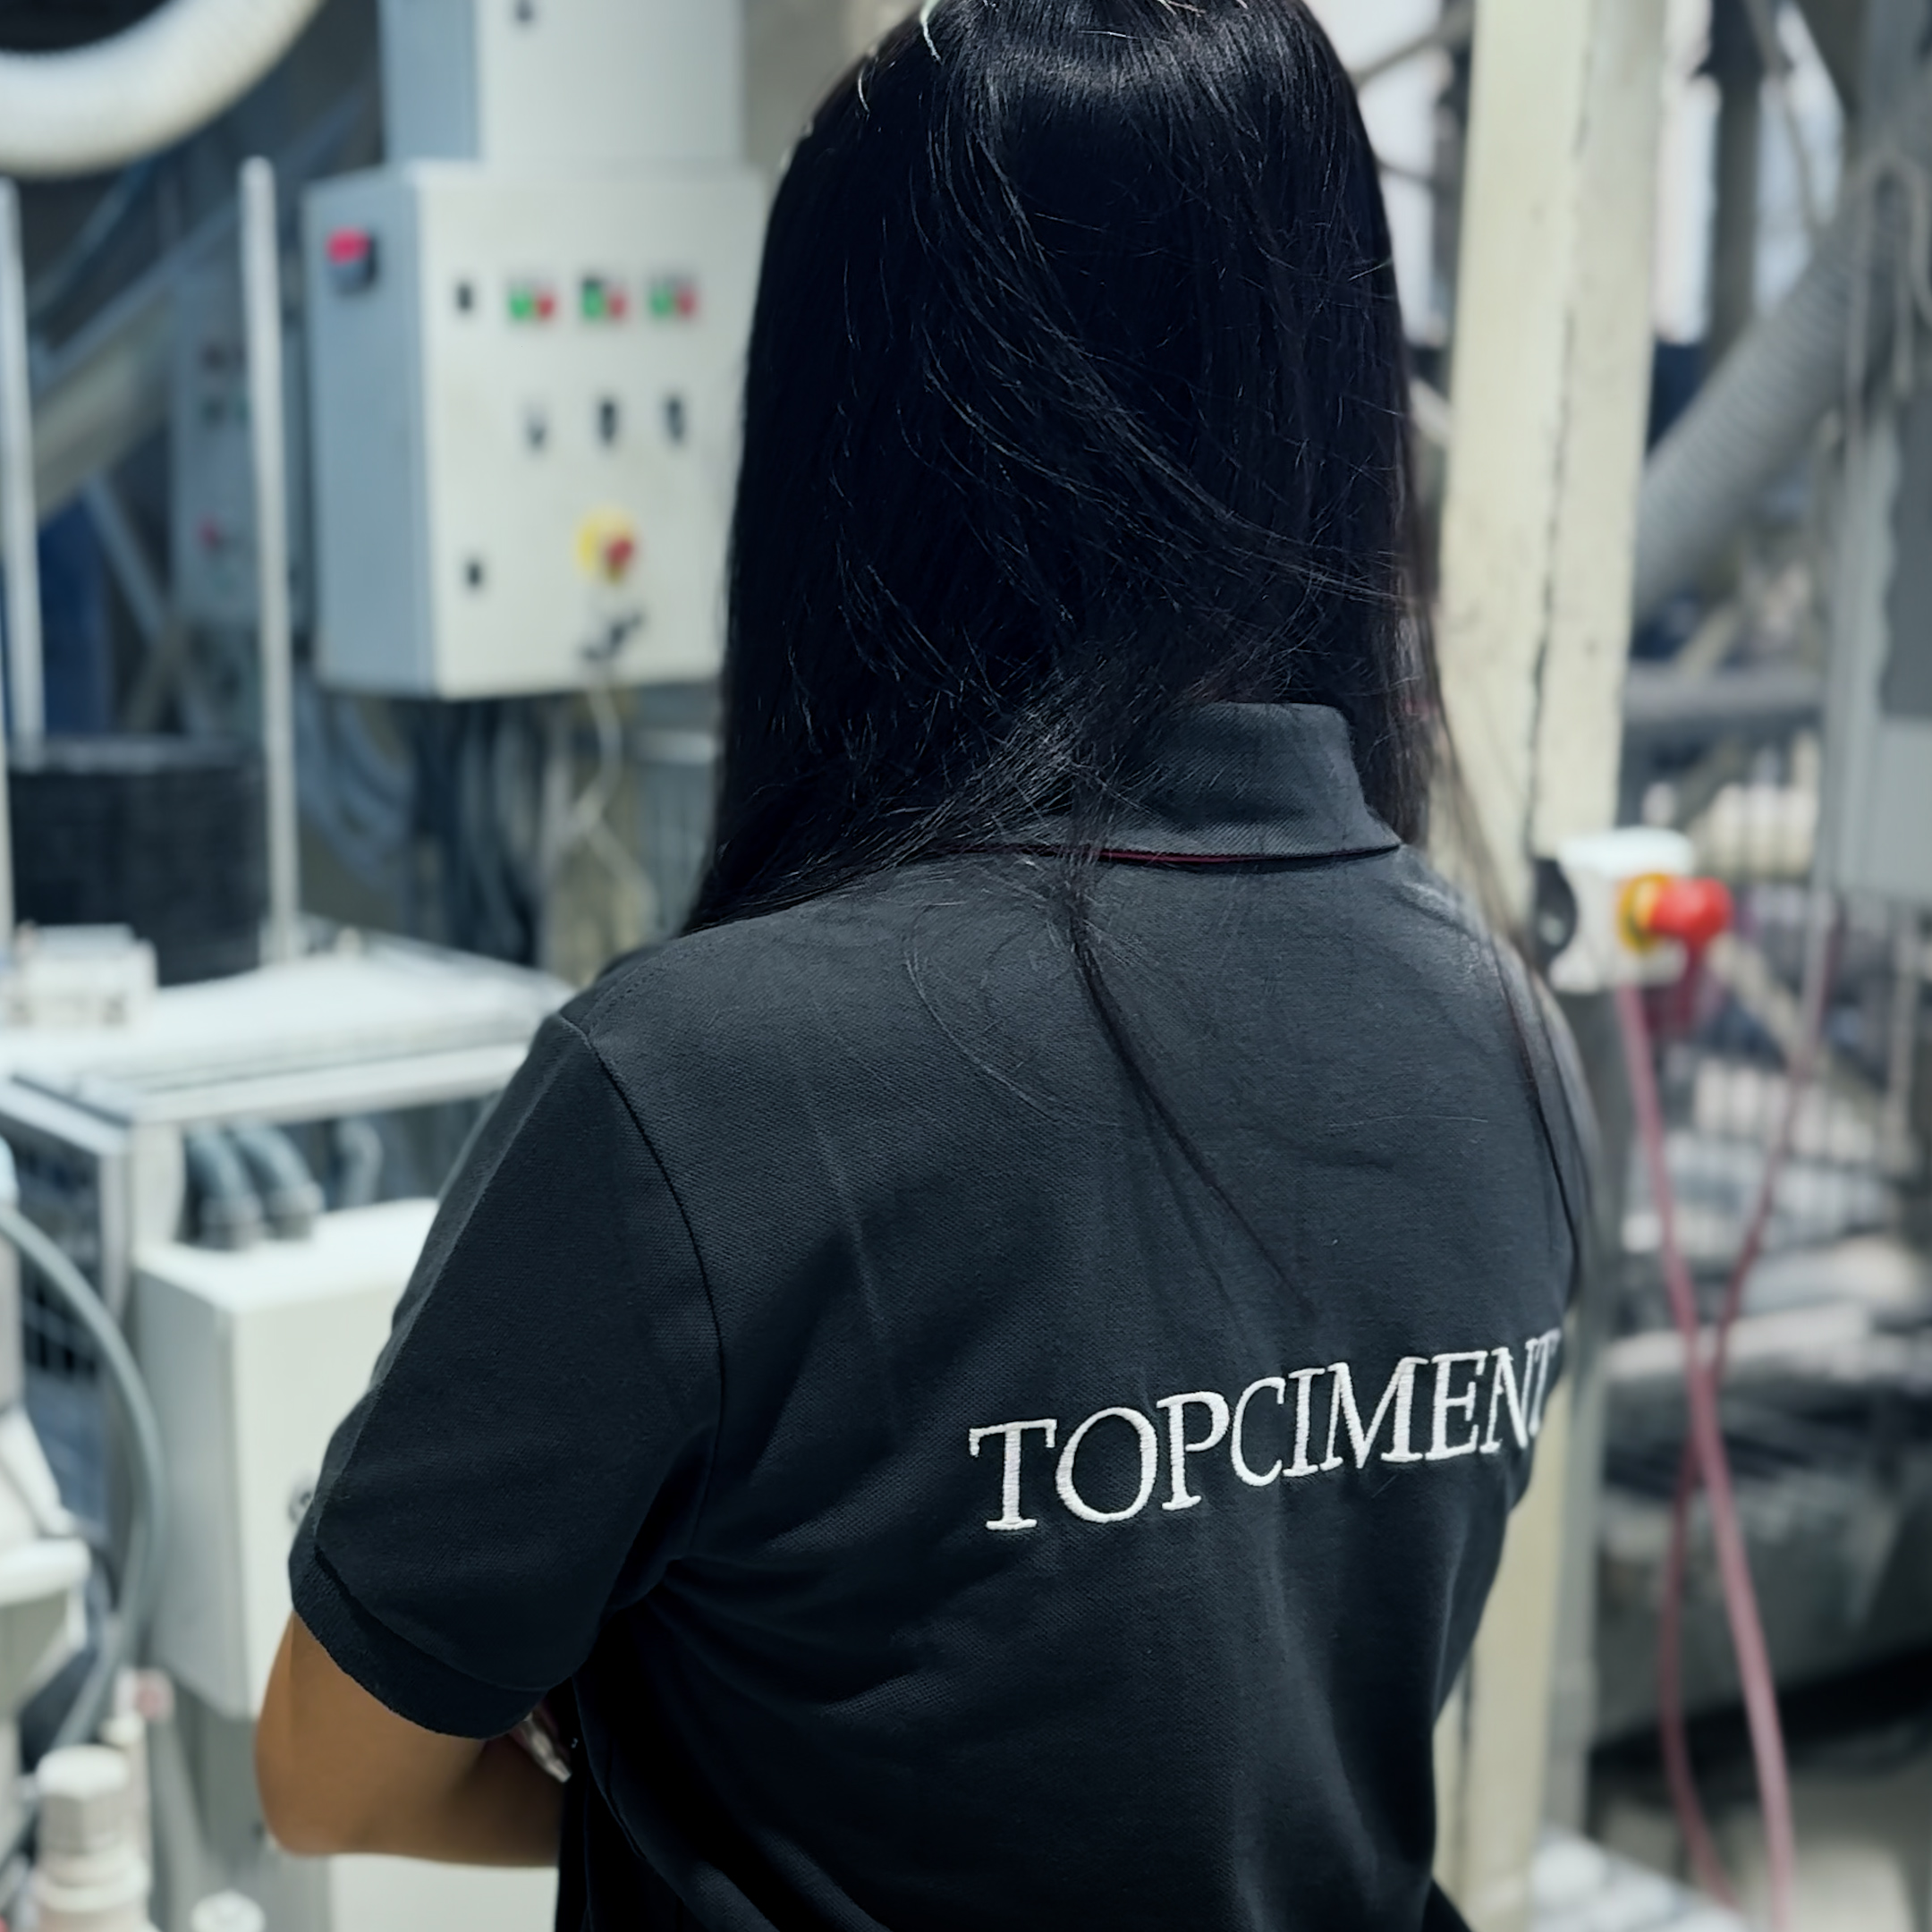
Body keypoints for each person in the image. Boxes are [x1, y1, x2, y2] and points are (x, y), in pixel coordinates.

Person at [250, 0, 1594, 1926]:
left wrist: (670, 1760)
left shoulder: (692, 1095)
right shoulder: (1510, 1045)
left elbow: (327, 1770)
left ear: (846, 451)